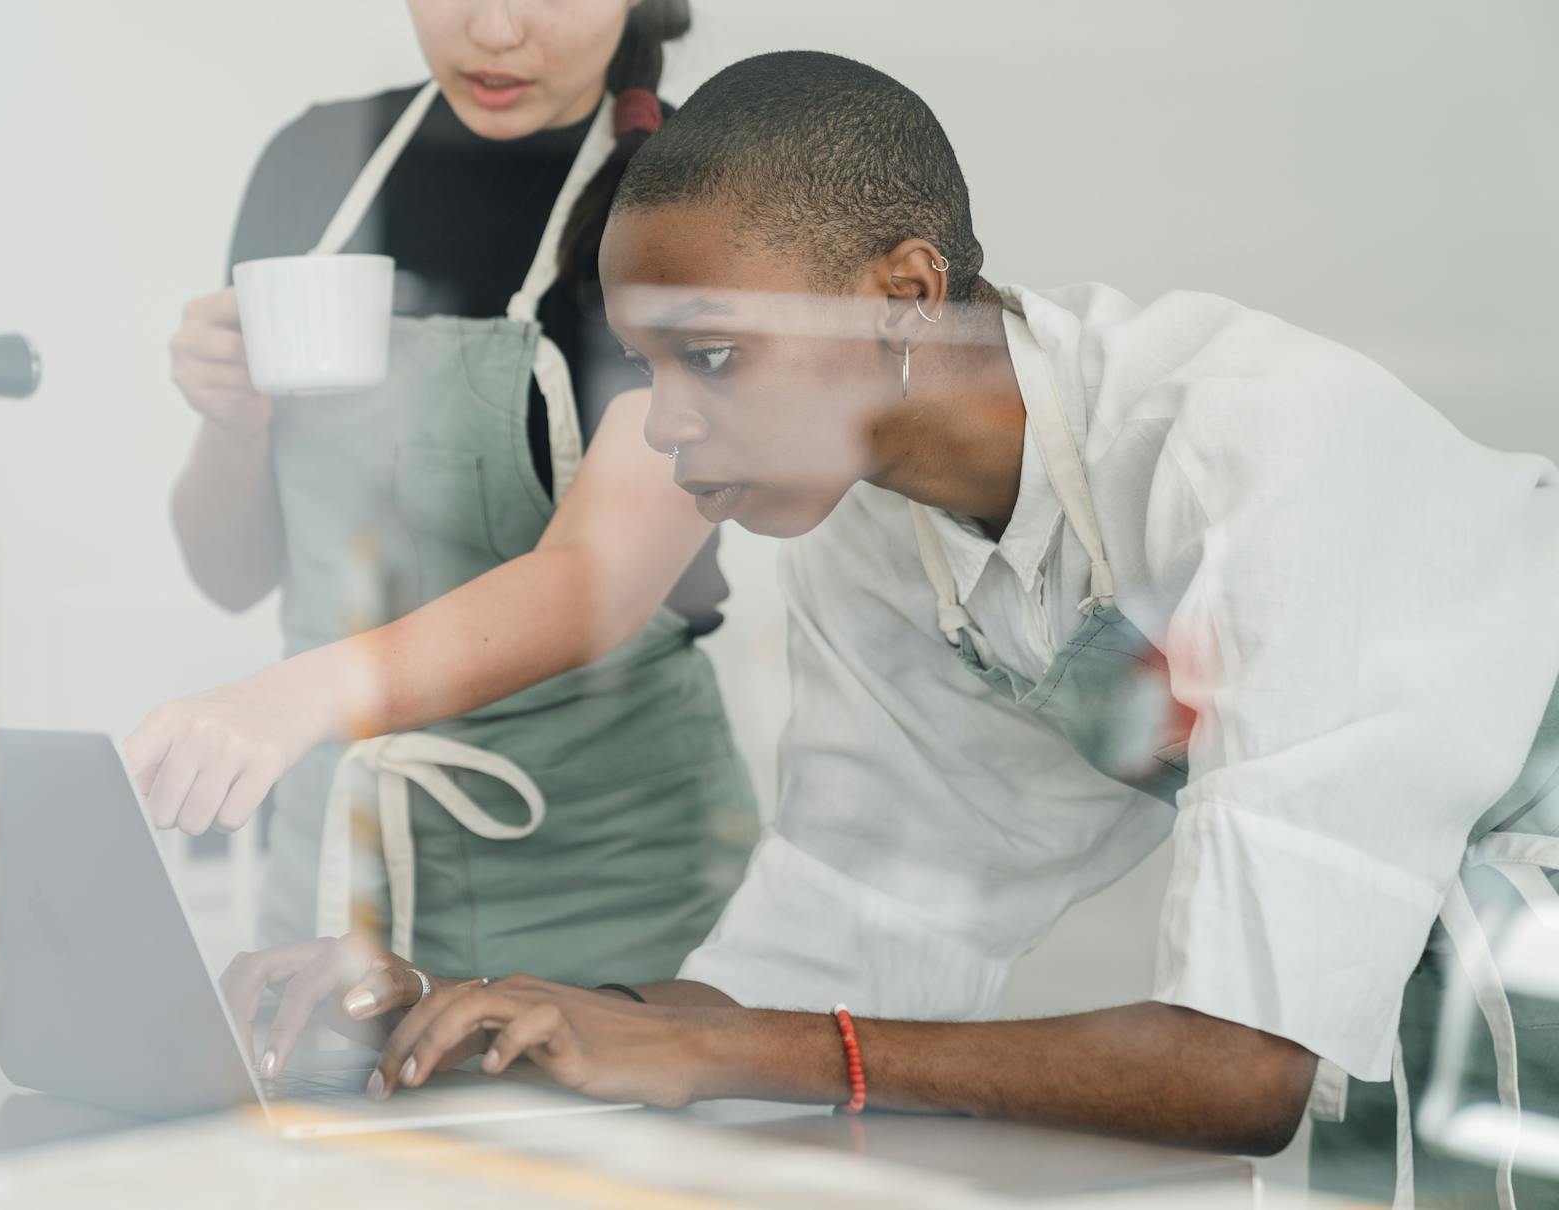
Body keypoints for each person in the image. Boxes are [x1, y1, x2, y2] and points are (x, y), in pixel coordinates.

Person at [218, 51, 1559, 1208]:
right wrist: (487, 1014)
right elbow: (831, 949)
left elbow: (1242, 1066)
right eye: (648, 364)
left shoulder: (1258, 450)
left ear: (904, 300)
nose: (666, 422)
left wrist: (732, 1053)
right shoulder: (883, 537)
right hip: (1426, 993)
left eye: (717, 354)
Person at [126, 0, 757, 987]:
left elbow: (595, 579)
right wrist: (230, 418)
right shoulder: (317, 164)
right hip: (339, 884)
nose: (494, 31)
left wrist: (293, 699)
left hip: (606, 899)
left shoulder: (695, 201)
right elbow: (230, 572)